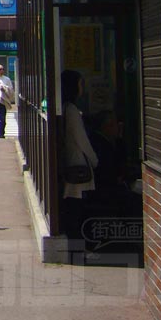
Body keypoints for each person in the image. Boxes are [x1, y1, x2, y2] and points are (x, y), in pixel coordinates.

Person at [60, 69, 98, 243]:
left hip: (69, 162)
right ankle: (78, 248)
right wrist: (94, 160)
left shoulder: (64, 108)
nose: (82, 87)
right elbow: (82, 139)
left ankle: (76, 246)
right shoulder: (72, 110)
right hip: (77, 166)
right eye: (80, 84)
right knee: (76, 211)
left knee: (72, 211)